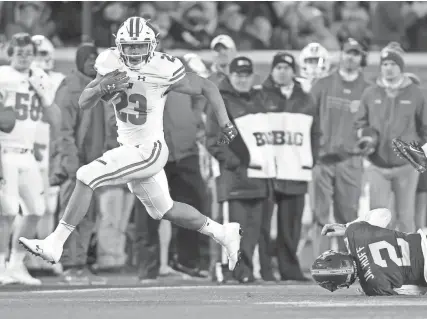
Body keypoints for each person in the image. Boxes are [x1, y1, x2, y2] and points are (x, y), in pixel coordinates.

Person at [19, 17, 241, 272]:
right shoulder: (108, 61)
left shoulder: (164, 67)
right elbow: (84, 101)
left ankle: (54, 243)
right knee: (165, 209)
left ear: (152, 45)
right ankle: (223, 232)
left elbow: (207, 86)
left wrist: (226, 124)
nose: (134, 52)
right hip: (131, 147)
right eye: (129, 46)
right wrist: (101, 87)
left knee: (86, 175)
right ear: (119, 45)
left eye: (140, 46)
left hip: (149, 149)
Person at [0, 32, 61, 285]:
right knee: (7, 212)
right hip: (4, 152)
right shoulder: (3, 76)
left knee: (37, 210)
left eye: (28, 53)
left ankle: (16, 264)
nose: (24, 57)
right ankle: (1, 265)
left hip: (28, 155)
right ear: (9, 53)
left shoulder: (39, 76)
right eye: (19, 52)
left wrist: (44, 95)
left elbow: (55, 119)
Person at [206, 56, 270, 283]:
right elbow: (214, 141)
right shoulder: (219, 101)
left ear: (252, 77)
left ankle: (246, 272)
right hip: (233, 177)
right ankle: (226, 271)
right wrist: (235, 161)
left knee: (252, 230)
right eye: (237, 75)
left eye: (246, 75)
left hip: (259, 177)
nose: (242, 79)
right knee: (231, 228)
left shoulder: (259, 99)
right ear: (230, 76)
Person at [355, 42, 427, 233]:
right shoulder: (370, 93)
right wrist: (367, 138)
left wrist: (418, 154)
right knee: (376, 220)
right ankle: (376, 263)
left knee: (405, 219)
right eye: (385, 64)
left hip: (406, 166)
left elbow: (425, 128)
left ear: (401, 66)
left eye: (393, 64)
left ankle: (408, 262)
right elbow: (360, 123)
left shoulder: (416, 94)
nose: (388, 68)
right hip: (377, 165)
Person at [310, 38, 370, 256]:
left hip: (350, 160)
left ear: (361, 57)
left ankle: (352, 265)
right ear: (341, 55)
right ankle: (321, 264)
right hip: (322, 160)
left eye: (355, 53)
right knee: (320, 216)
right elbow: (308, 118)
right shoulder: (323, 85)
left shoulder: (368, 89)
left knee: (349, 218)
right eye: (347, 52)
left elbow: (373, 126)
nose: (351, 57)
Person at [311, 208, 427, 296]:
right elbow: (384, 213)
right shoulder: (355, 233)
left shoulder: (372, 286)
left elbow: (414, 290)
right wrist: (346, 227)